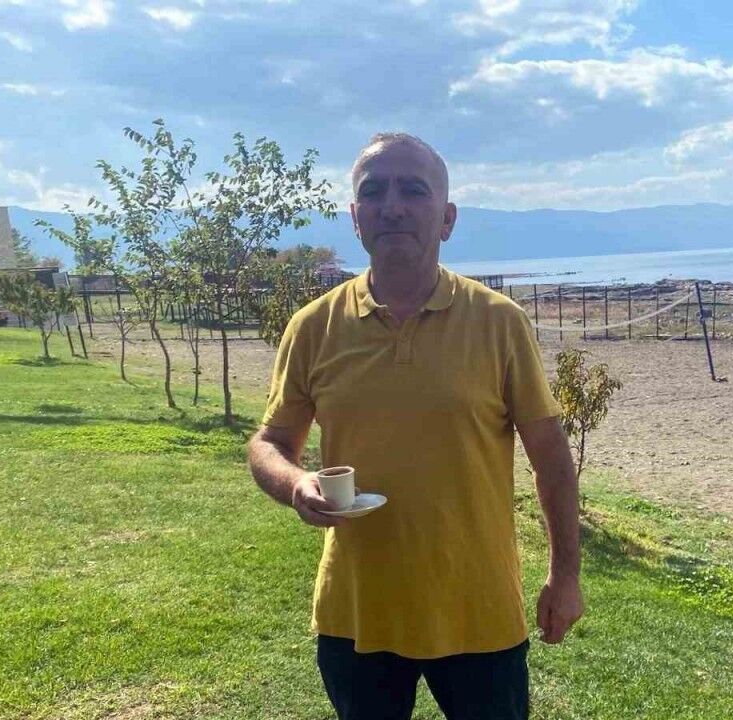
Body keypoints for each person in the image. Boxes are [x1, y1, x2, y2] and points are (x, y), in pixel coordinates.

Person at [247, 132, 583, 720]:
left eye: (413, 190)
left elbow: (551, 456)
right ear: (355, 218)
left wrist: (565, 576)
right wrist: (296, 483)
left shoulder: (499, 323)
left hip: (478, 608)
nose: (392, 207)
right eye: (373, 192)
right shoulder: (314, 327)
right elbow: (270, 443)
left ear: (447, 218)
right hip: (357, 612)